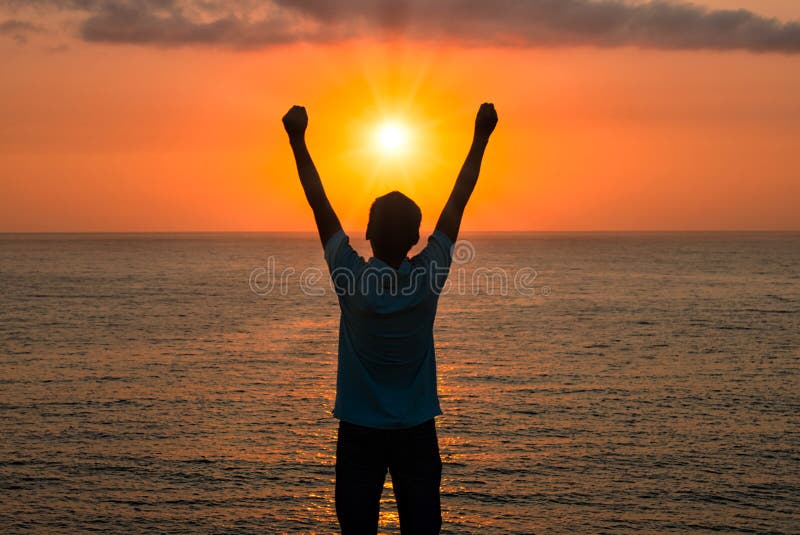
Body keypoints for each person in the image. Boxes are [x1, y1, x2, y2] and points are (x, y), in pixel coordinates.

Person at [282, 102, 497, 534]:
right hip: (416, 430)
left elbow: (318, 201)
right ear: (417, 237)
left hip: (359, 431)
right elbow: (459, 198)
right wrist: (480, 138)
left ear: (368, 233)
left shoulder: (352, 280)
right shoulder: (427, 276)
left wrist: (297, 140)